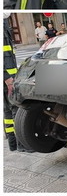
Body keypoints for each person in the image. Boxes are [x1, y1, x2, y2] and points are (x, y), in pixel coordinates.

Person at [4, 18, 21, 152]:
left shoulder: (4, 23)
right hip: (7, 79)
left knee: (8, 111)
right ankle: (19, 144)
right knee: (14, 109)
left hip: (9, 77)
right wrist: (7, 78)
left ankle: (13, 144)